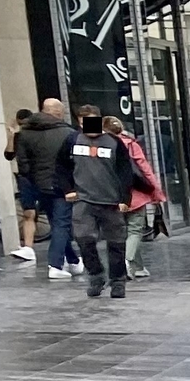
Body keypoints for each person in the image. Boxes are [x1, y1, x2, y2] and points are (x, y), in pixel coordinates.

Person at [66, 107, 139, 299]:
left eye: (89, 121)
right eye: (82, 122)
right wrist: (68, 189)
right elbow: (62, 166)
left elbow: (125, 171)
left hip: (110, 201)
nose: (85, 126)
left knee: (116, 242)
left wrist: (125, 198)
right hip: (83, 199)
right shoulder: (72, 140)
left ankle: (117, 281)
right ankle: (96, 275)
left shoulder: (113, 142)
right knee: (84, 239)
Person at [16, 98, 78, 279]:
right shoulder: (68, 132)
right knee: (61, 223)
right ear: (59, 113)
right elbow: (74, 162)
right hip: (62, 186)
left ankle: (73, 261)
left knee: (57, 222)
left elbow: (23, 164)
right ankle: (56, 264)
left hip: (38, 186)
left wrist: (33, 181)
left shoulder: (25, 133)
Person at [105, 112, 164, 280]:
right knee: (135, 230)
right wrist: (156, 191)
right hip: (135, 194)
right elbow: (145, 169)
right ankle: (127, 260)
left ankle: (137, 267)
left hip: (112, 194)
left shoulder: (101, 146)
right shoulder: (131, 144)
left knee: (124, 232)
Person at [6, 109, 42, 260]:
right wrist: (12, 135)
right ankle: (28, 247)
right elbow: (9, 155)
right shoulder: (19, 137)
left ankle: (66, 251)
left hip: (42, 176)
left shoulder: (40, 136)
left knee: (55, 213)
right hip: (26, 178)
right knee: (29, 212)